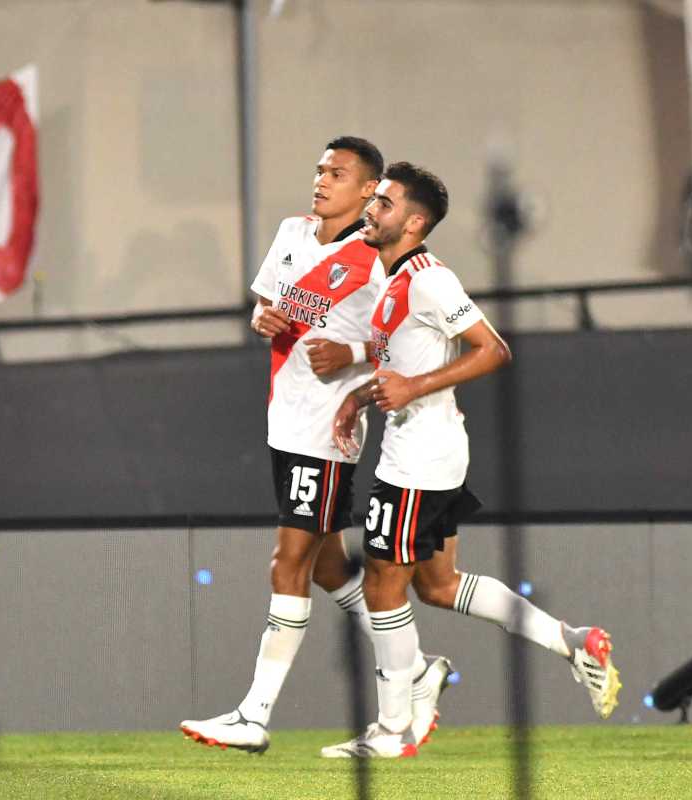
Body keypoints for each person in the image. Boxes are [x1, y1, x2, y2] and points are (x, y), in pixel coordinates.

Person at [320, 162, 619, 758]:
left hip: (419, 458)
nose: (370, 210)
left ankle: (391, 728)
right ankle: (572, 641)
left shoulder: (430, 279)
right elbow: (399, 365)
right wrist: (361, 395)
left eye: (383, 203)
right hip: (422, 447)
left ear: (415, 221)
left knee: (382, 584)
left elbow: (493, 350)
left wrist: (412, 388)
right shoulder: (391, 278)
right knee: (437, 585)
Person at [179, 138, 451, 755]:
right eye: (320, 169)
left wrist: (354, 354)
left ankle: (254, 715)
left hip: (327, 429)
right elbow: (271, 307)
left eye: (339, 174)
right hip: (286, 414)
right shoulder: (292, 232)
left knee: (288, 562)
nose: (322, 180)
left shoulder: (379, 253)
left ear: (368, 192)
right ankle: (416, 668)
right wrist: (262, 317)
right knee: (329, 564)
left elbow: (407, 333)